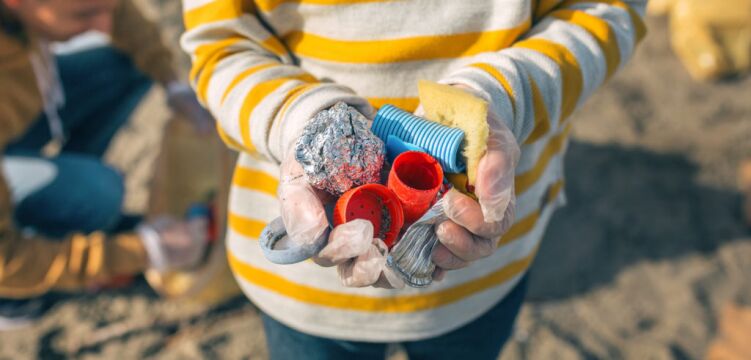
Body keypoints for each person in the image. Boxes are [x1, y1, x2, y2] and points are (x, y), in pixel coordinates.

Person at [182, 0, 647, 358]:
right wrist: (303, 122)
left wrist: (506, 94)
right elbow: (221, 43)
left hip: (482, 274)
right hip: (305, 290)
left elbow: (606, 11)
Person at [0, 0, 211, 329]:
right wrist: (142, 251)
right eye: (82, 14)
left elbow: (120, 13)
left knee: (127, 63)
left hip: (20, 95)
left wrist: (172, 84)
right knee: (100, 192)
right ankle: (11, 299)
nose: (102, 25)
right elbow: (4, 260)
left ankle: (65, 197)